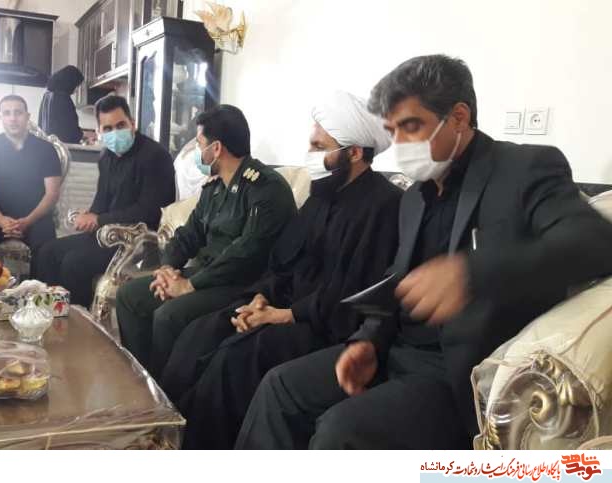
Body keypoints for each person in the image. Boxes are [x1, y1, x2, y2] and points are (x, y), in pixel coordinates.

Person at [236, 54, 612, 450]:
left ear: (459, 117)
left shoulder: (524, 168)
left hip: (456, 371)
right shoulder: (414, 196)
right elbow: (396, 283)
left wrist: (471, 274)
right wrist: (368, 340)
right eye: (392, 130)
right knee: (279, 387)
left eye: (411, 126)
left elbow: (594, 242)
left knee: (340, 431)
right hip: (394, 352)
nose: (399, 144)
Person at [161, 91, 402, 449]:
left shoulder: (384, 206)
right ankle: (166, 430)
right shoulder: (322, 196)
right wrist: (260, 298)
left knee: (234, 359)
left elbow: (353, 293)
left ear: (354, 153)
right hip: (281, 305)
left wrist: (283, 315)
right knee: (201, 332)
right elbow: (285, 260)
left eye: (319, 147)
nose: (310, 155)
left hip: (323, 324)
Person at [116, 105, 297, 379]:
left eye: (200, 144)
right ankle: (141, 380)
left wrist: (189, 285)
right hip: (207, 276)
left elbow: (245, 254)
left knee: (168, 315)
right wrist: (167, 269)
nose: (197, 152)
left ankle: (165, 395)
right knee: (129, 296)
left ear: (216, 148)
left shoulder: (266, 187)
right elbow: (188, 235)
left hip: (242, 283)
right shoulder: (214, 187)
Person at [33, 95, 175, 307]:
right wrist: (88, 217)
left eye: (120, 125)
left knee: (74, 263)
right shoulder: (106, 156)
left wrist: (98, 219)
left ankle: (80, 321)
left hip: (138, 240)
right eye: (108, 128)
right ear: (99, 131)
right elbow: (102, 200)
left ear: (132, 123)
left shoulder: (155, 156)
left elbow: (149, 211)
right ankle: (48, 312)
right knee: (47, 252)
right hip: (106, 233)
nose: (115, 132)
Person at [0, 94, 62, 257]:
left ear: (27, 116)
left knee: (46, 252)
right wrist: (1, 221)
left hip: (36, 217)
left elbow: (52, 194)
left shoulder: (46, 149)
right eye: (7, 113)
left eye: (18, 112)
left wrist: (27, 221)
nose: (13, 118)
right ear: (0, 117)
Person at [38, 65, 85, 143]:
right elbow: (68, 131)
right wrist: (83, 135)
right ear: (70, 82)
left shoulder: (47, 95)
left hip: (48, 144)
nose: (77, 89)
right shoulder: (63, 98)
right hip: (61, 146)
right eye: (77, 85)